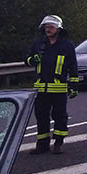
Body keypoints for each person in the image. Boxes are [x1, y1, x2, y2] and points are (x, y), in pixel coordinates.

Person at [25, 15, 78, 155]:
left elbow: (73, 66)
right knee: (41, 116)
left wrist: (73, 86)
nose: (48, 29)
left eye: (51, 27)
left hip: (59, 89)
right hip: (41, 88)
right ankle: (42, 145)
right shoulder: (38, 44)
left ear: (58, 29)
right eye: (46, 27)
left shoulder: (66, 45)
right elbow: (28, 60)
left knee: (60, 116)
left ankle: (58, 143)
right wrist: (33, 60)